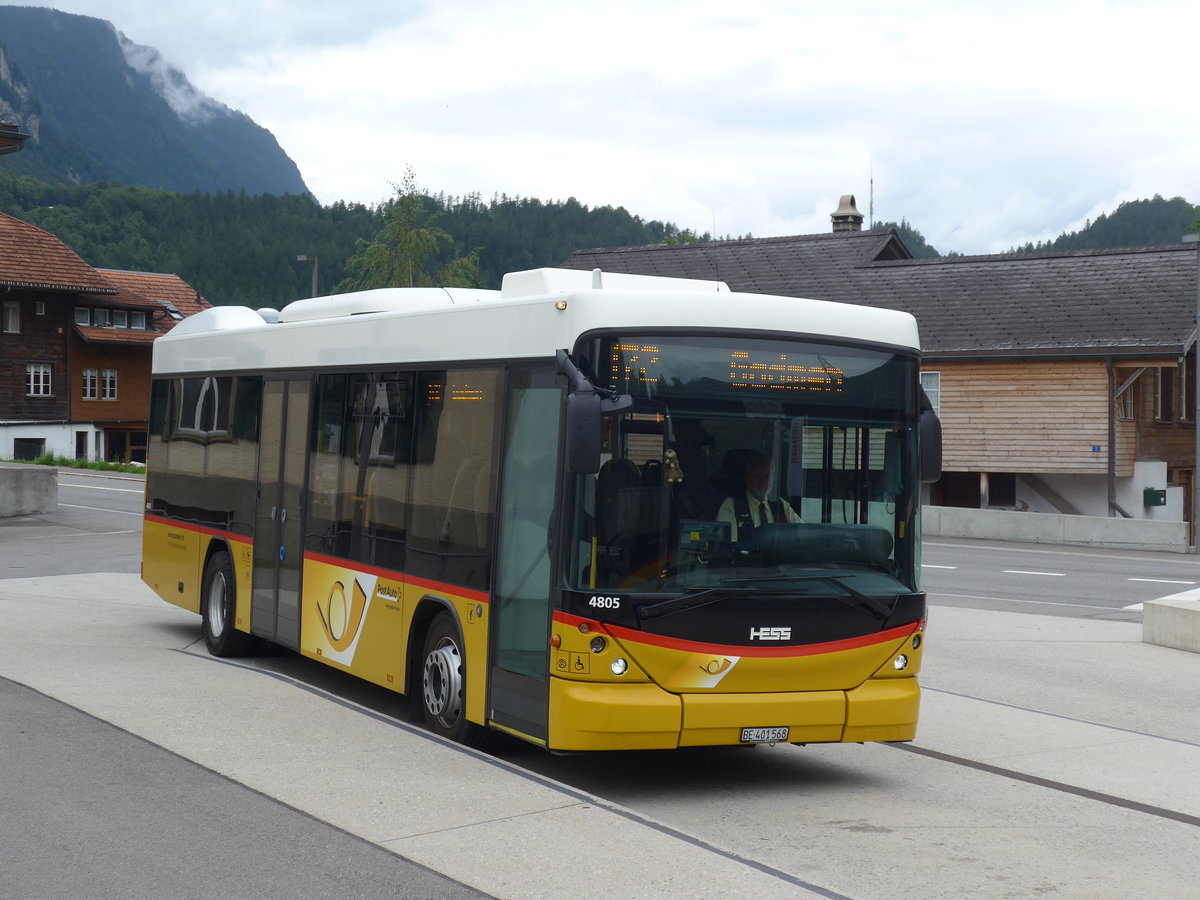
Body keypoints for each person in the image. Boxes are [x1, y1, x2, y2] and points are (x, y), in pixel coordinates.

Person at [715, 450, 800, 540]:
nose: (763, 482)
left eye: (767, 476)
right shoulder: (732, 507)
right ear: (747, 477)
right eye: (757, 477)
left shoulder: (781, 506)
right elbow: (728, 548)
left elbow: (803, 534)